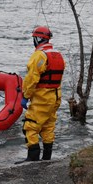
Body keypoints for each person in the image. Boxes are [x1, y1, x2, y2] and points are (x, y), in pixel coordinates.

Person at [19, 26, 65, 162]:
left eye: (34, 38)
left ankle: (32, 159)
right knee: (48, 127)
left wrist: (26, 96)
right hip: (55, 96)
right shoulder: (58, 54)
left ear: (38, 39)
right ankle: (47, 159)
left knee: (30, 126)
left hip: (42, 97)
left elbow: (31, 79)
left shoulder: (39, 55)